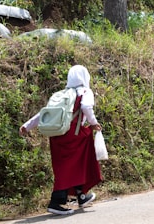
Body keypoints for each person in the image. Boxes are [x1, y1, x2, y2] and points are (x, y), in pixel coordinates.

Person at [19, 65, 103, 215]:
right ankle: (56, 201)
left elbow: (44, 114)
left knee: (67, 165)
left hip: (57, 136)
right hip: (74, 135)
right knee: (74, 164)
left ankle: (81, 195)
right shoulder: (85, 92)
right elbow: (86, 106)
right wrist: (94, 122)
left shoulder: (61, 94)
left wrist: (27, 125)